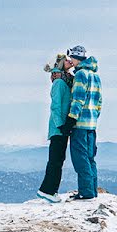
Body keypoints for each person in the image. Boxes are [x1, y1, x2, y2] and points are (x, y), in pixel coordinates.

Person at [59, 45, 102, 200]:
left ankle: (86, 192)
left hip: (80, 125)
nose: (70, 61)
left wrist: (71, 120)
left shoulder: (81, 75)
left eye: (71, 58)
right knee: (90, 158)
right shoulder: (95, 76)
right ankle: (92, 190)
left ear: (76, 58)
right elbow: (99, 102)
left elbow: (78, 99)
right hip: (92, 125)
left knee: (80, 158)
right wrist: (94, 117)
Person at [37, 54, 74, 203]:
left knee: (57, 159)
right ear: (59, 64)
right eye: (65, 60)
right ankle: (48, 191)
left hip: (60, 128)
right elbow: (56, 106)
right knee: (56, 160)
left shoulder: (64, 81)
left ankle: (49, 190)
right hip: (59, 128)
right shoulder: (59, 83)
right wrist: (61, 125)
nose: (68, 61)